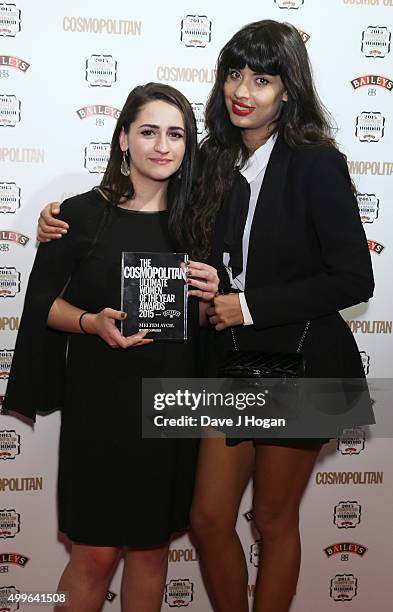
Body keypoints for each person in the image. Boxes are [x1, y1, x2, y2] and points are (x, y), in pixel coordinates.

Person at [36, 20, 374, 612]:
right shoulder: (213, 160)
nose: (243, 89)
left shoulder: (315, 163)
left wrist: (245, 302)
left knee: (271, 518)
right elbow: (150, 214)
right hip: (233, 361)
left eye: (263, 79)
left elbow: (354, 278)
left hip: (302, 356)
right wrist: (60, 218)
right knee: (207, 517)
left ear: (288, 90)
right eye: (234, 74)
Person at [4, 82, 218, 612]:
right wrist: (91, 322)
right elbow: (43, 307)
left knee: (150, 555)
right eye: (148, 132)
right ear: (123, 139)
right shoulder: (78, 215)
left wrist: (215, 296)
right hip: (100, 408)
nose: (162, 146)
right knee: (94, 556)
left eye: (176, 134)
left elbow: (217, 314)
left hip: (172, 407)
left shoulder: (201, 221)